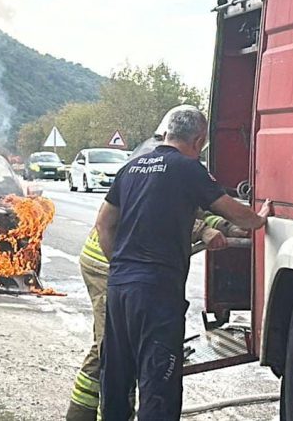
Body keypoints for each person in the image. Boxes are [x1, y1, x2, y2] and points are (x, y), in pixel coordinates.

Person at [65, 106, 246, 421]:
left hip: (122, 269)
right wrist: (227, 225)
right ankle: (79, 414)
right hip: (107, 262)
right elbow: (159, 214)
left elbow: (197, 208)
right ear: (197, 139)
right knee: (114, 349)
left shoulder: (146, 162)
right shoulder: (178, 166)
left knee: (120, 358)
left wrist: (222, 225)